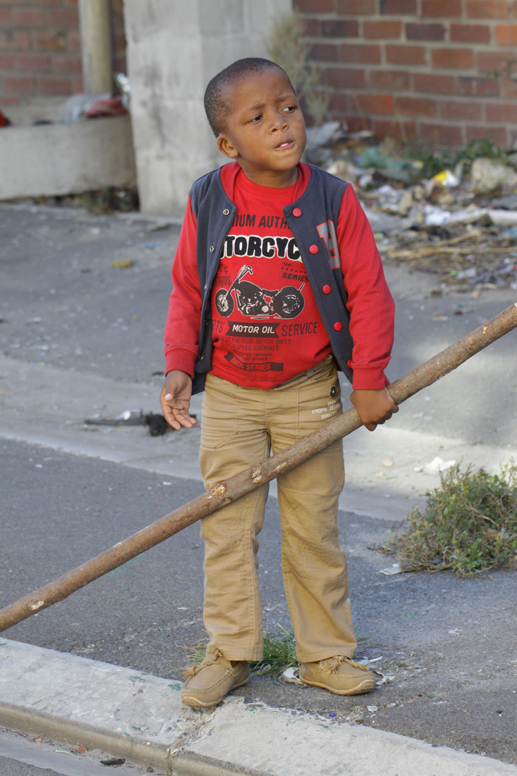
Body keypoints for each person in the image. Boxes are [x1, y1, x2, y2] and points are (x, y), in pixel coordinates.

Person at [160, 57, 397, 708]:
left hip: (307, 394)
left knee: (312, 530)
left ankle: (324, 654)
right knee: (227, 527)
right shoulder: (209, 198)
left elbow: (369, 293)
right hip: (230, 396)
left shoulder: (331, 200)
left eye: (287, 107)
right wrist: (179, 364)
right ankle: (231, 652)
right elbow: (187, 290)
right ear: (227, 143)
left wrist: (368, 379)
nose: (279, 123)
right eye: (257, 117)